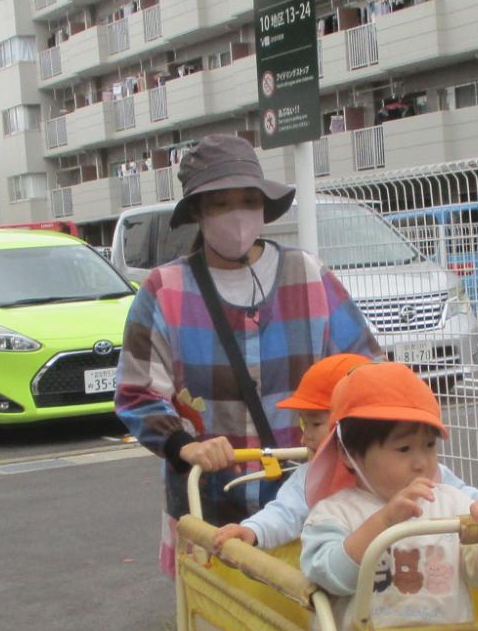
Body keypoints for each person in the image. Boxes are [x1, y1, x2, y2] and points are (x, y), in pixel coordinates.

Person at [117, 134, 379, 575]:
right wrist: (188, 446)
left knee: (314, 629)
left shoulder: (309, 276)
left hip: (310, 500)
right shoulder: (164, 290)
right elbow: (137, 392)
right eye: (220, 203)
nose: (237, 215)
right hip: (212, 502)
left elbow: (365, 372)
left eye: (247, 200)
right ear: (199, 212)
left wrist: (340, 435)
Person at [212, 352, 478, 552]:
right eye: (403, 448)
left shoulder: (431, 476)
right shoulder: (316, 483)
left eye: (315, 422)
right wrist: (252, 531)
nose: (305, 434)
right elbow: (284, 513)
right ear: (348, 447)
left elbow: (472, 499)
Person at [300, 362, 478, 626]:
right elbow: (331, 576)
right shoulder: (333, 513)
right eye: (403, 449)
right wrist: (385, 520)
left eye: (428, 446)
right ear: (348, 454)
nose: (420, 462)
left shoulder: (451, 503)